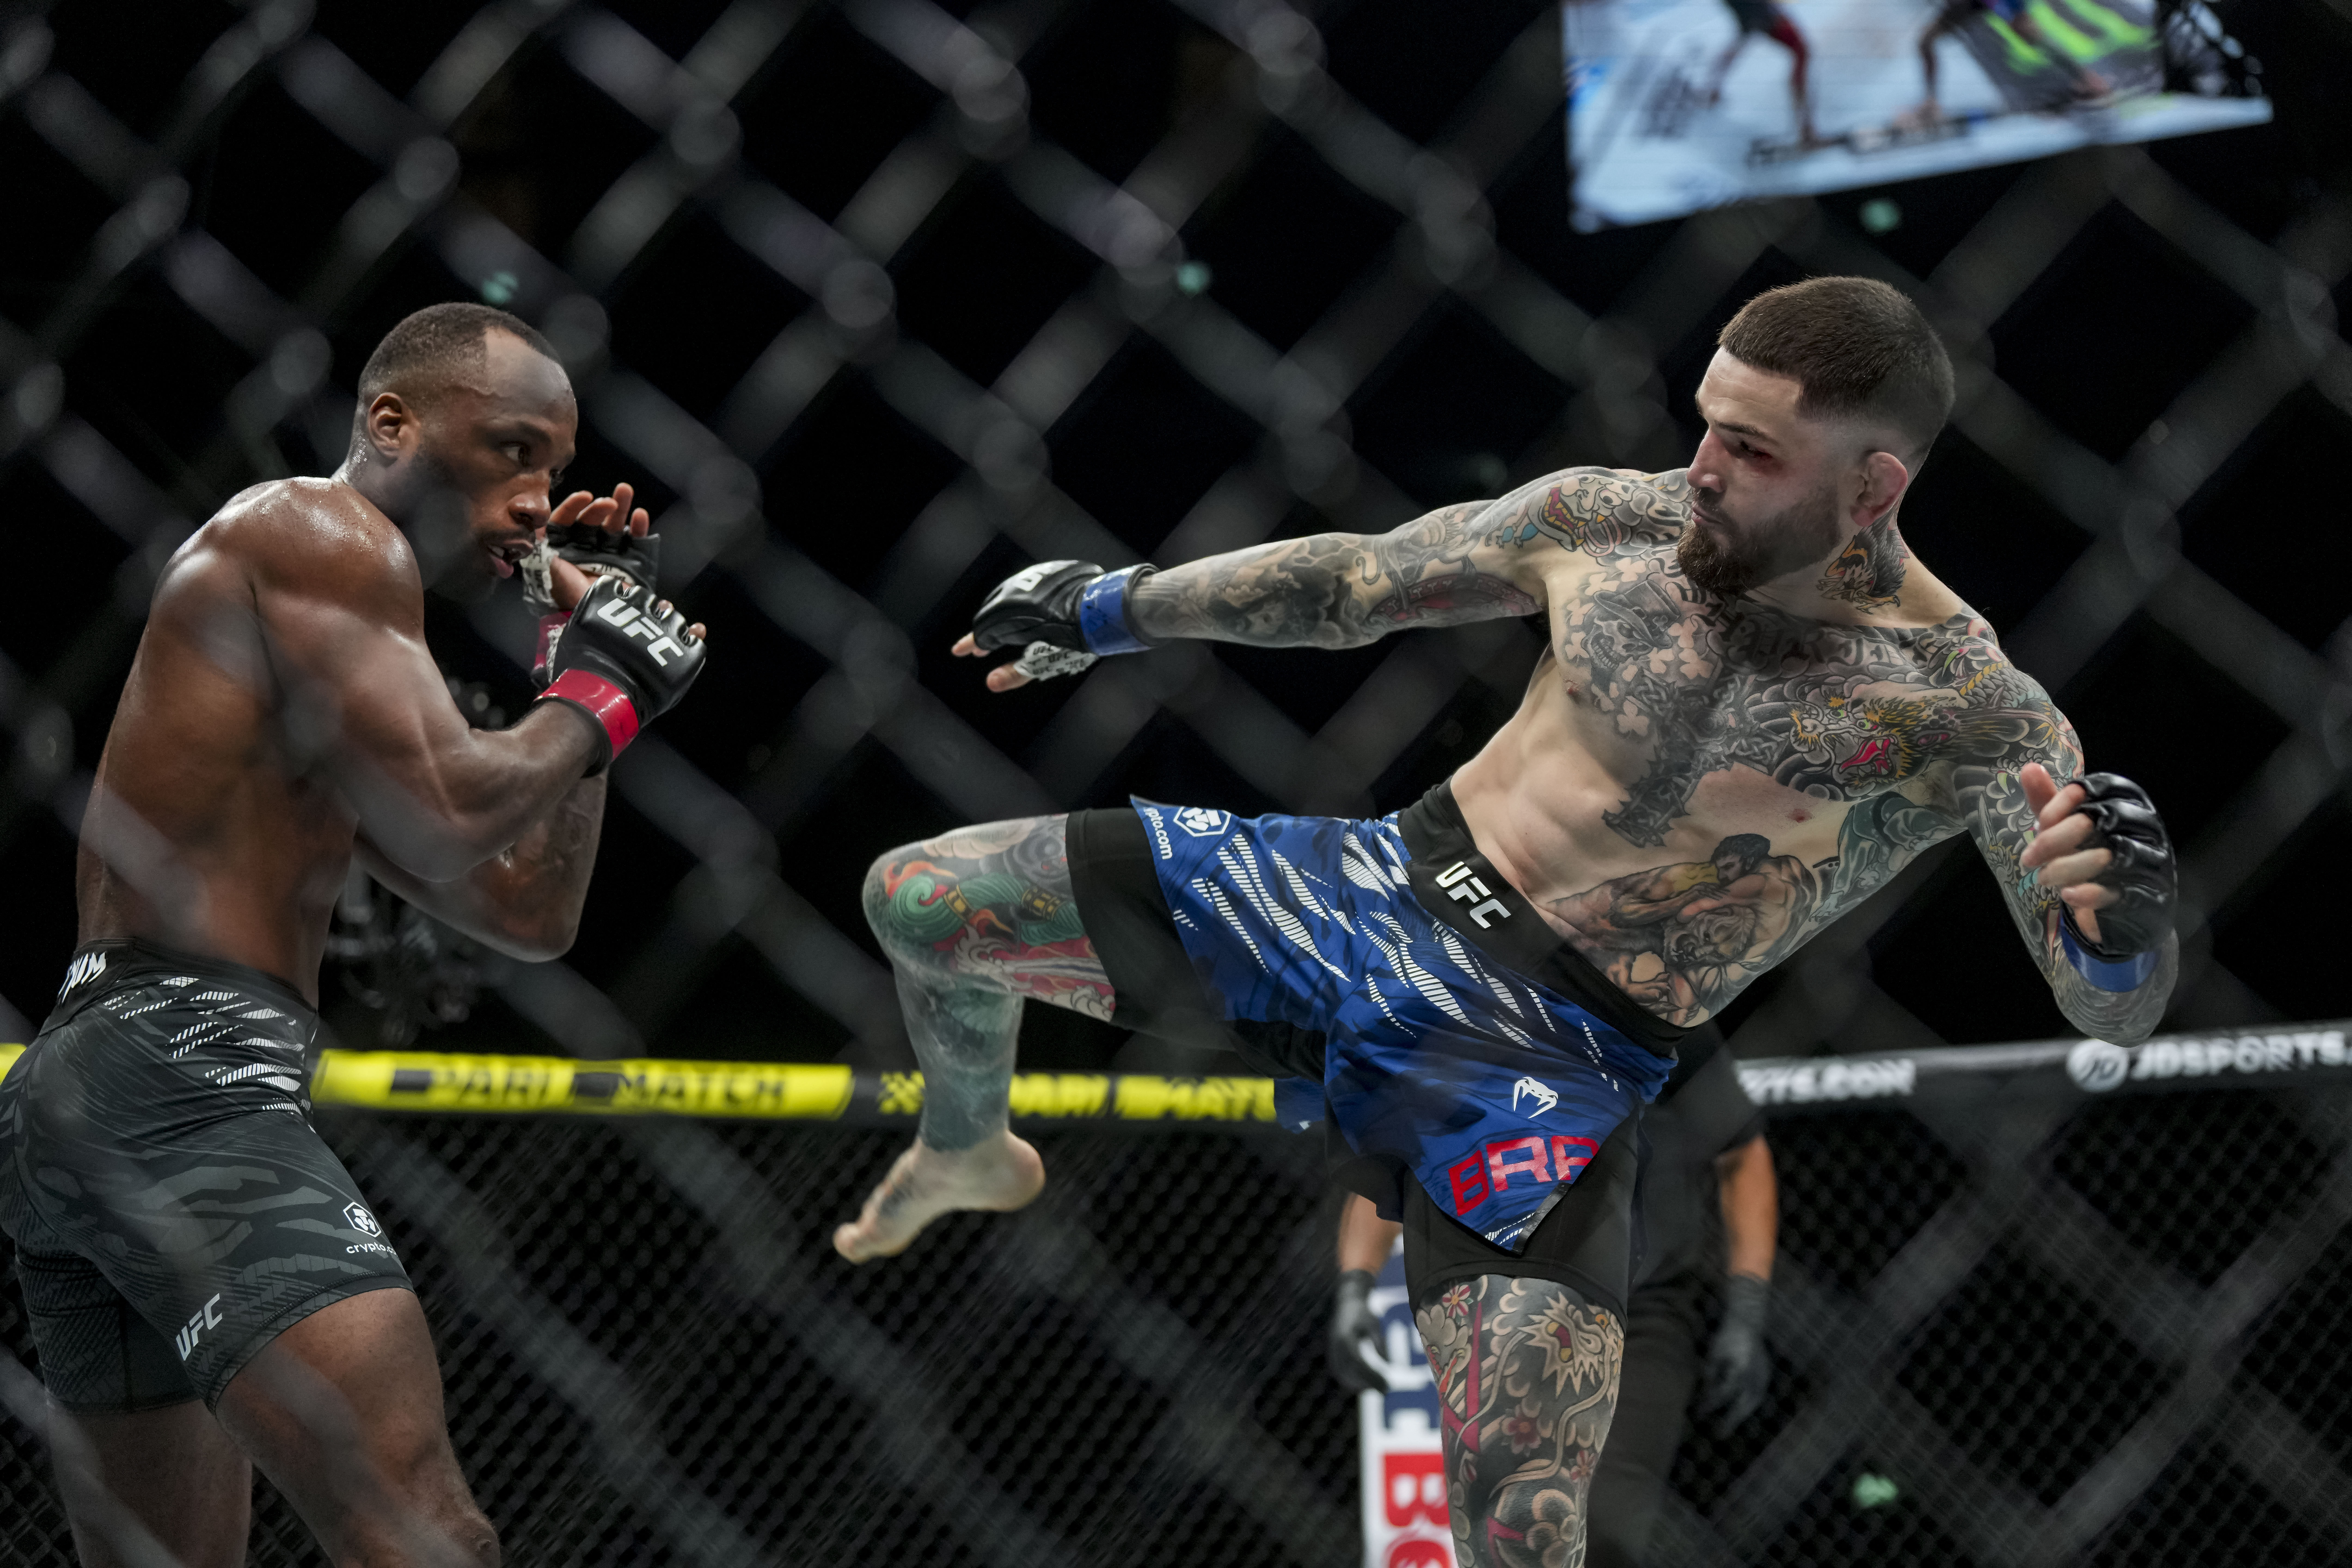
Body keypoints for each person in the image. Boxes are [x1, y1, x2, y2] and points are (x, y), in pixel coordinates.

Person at [832, 275, 2177, 1568]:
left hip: (1550, 1061)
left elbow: (2105, 1006)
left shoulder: (1972, 713)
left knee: (1525, 1525)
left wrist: (2118, 931)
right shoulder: (1614, 522)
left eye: (1752, 450)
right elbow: (1358, 583)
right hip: (1365, 895)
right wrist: (1114, 608)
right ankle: (967, 1150)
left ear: (1872, 487)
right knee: (924, 897)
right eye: (1705, 421)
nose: (1703, 466)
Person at [0, 303, 709, 1567]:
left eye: (553, 465)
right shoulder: (315, 530)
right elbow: (450, 814)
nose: (540, 496)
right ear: (392, 421)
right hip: (189, 1073)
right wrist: (603, 691)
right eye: (509, 449)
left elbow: (524, 911)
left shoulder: (328, 656)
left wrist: (573, 669)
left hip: (93, 1085)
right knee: (425, 1532)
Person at [1330, 1028, 1777, 1568]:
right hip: (1503, 1309)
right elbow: (1389, 1160)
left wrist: (1747, 1308)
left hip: (1640, 1306)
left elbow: (1742, 1154)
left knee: (1603, 1528)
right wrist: (1355, 1286)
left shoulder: (1645, 993)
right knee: (1508, 1527)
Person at [1706, 0, 1819, 147]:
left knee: (1799, 51)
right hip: (1760, 13)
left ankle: (1710, 89)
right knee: (1800, 51)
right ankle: (1806, 132)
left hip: (1758, 13)